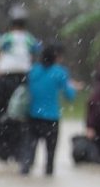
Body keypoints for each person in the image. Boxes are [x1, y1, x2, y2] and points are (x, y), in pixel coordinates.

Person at [0, 10, 40, 167]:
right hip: (22, 79)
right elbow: (37, 48)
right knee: (19, 118)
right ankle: (18, 154)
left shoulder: (7, 37)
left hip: (4, 79)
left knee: (1, 117)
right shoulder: (30, 38)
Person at [19, 43, 77, 177]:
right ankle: (48, 178)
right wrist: (72, 86)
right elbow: (70, 96)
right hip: (51, 120)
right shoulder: (61, 72)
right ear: (56, 57)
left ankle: (24, 181)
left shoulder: (32, 71)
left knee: (28, 157)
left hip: (32, 118)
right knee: (50, 158)